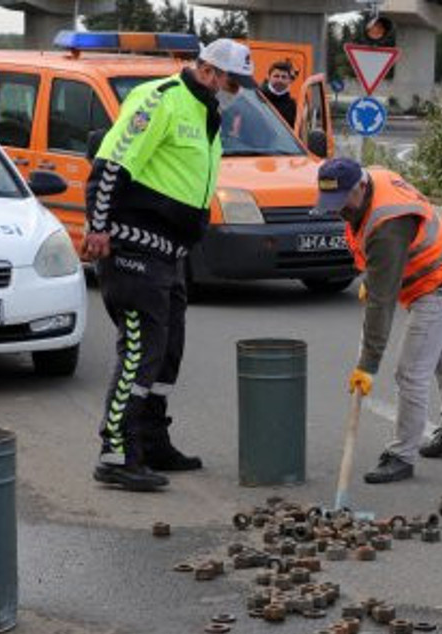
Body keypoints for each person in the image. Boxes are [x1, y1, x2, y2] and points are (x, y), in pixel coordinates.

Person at [81, 38, 253, 491]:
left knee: (168, 354)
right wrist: (98, 227)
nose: (236, 90)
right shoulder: (160, 100)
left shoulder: (206, 111)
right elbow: (111, 164)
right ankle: (115, 452)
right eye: (233, 81)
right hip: (134, 247)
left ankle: (152, 441)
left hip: (170, 253)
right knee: (140, 353)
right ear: (211, 71)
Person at [315, 158, 442, 484]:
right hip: (428, 274)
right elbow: (379, 273)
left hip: (438, 280)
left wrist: (367, 365)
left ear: (360, 187)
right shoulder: (369, 184)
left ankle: (402, 455)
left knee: (410, 372)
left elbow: (381, 304)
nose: (337, 210)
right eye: (330, 202)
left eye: (342, 201)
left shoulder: (387, 225)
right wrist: (374, 279)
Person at [261, 59, 297, 128]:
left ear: (290, 80)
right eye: (276, 76)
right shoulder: (257, 97)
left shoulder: (292, 106)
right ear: (268, 77)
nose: (280, 80)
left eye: (284, 77)